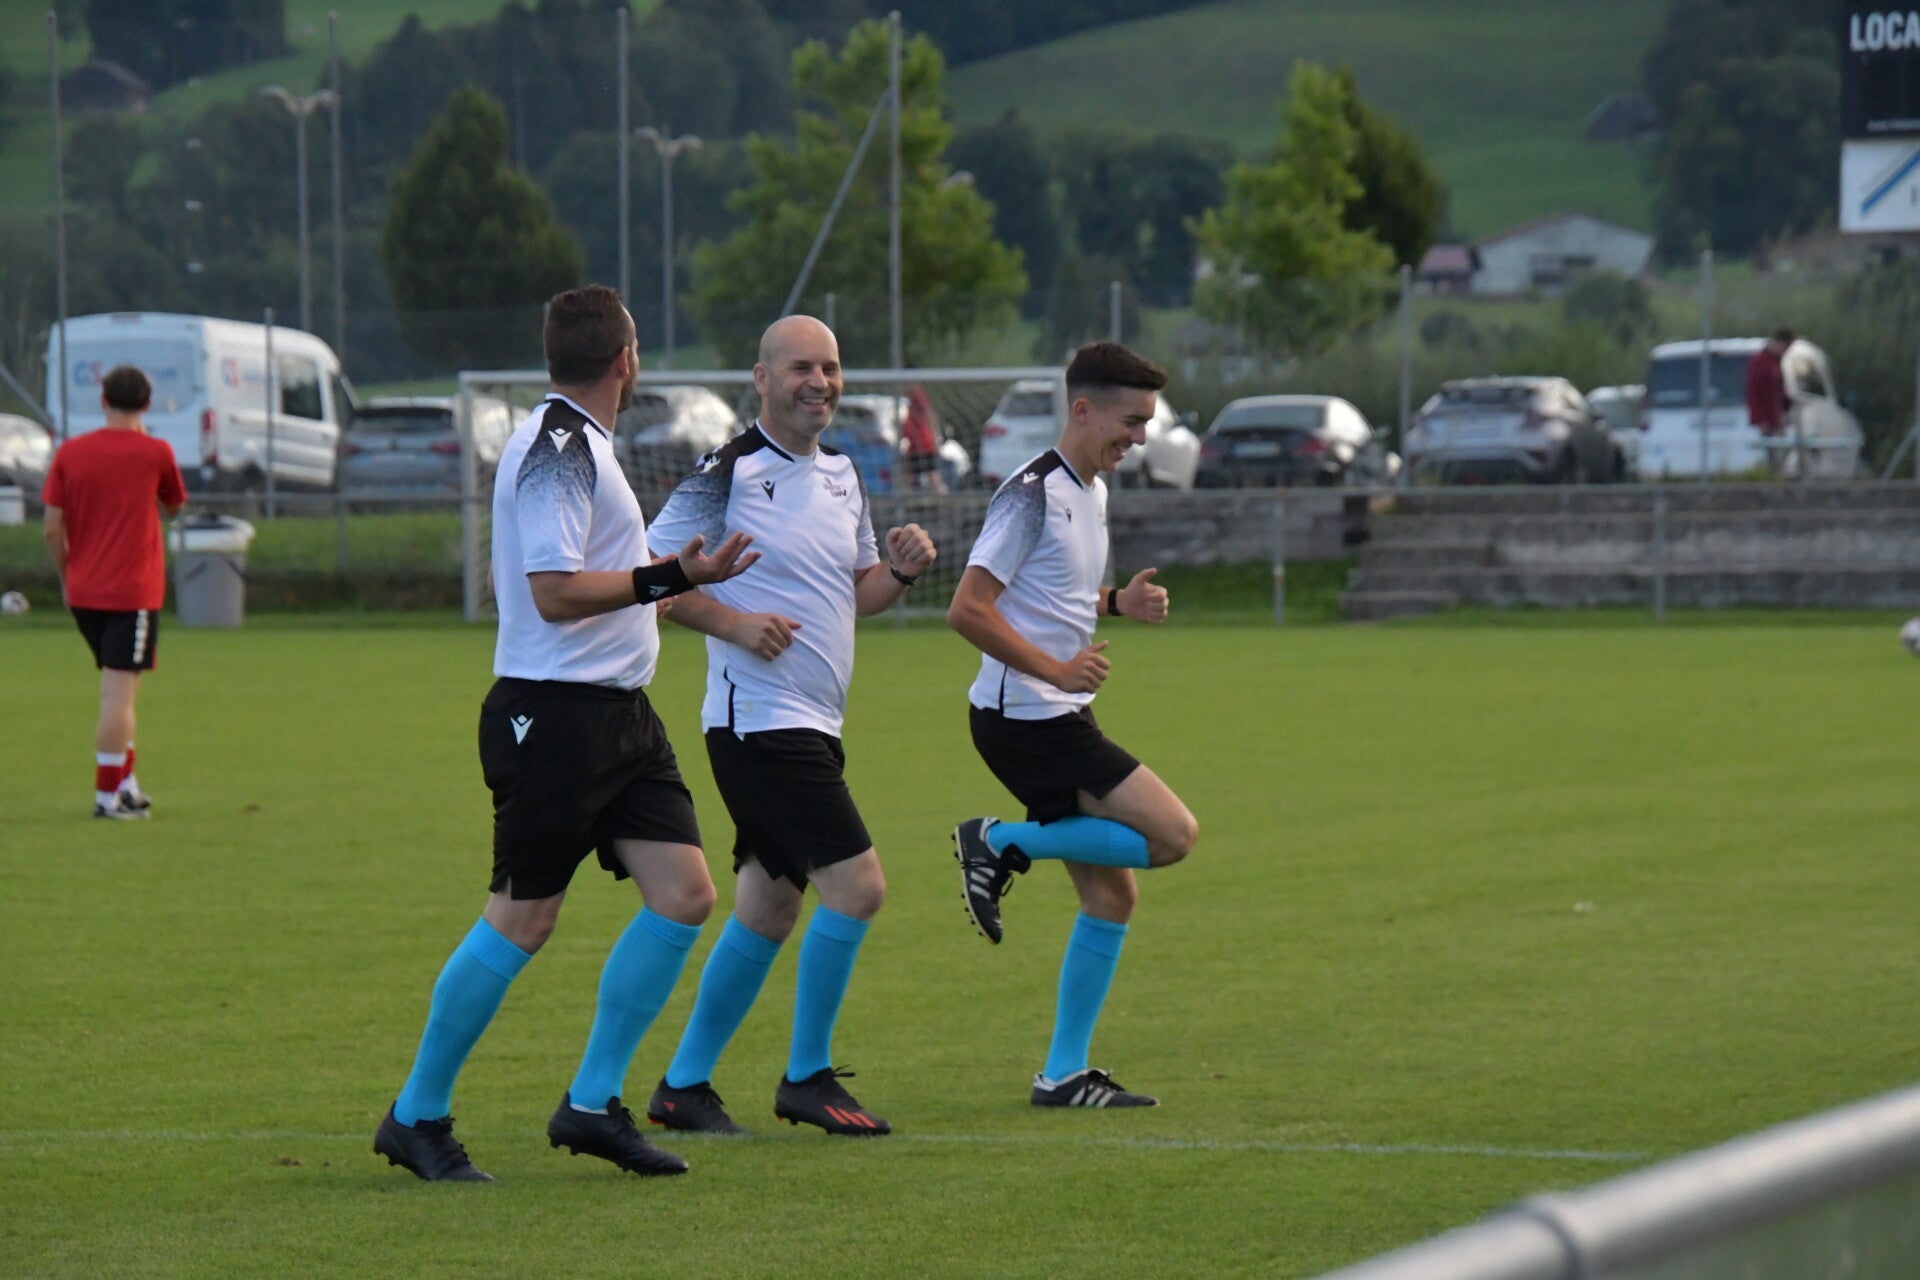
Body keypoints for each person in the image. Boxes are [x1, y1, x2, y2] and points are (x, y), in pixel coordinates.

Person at [373, 286, 756, 1183]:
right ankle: (416, 1115)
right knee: (524, 916)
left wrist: (672, 576)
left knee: (685, 894)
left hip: (621, 717)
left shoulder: (581, 443)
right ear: (626, 360)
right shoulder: (558, 447)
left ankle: (592, 1103)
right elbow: (552, 592)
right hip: (552, 717)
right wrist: (668, 576)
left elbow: (574, 575)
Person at [639, 315, 936, 1138]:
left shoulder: (843, 473)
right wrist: (733, 624)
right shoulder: (726, 472)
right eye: (802, 367)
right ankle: (806, 1077)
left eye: (831, 367)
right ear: (761, 379)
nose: (821, 382)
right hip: (759, 723)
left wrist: (899, 572)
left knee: (770, 908)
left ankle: (682, 1087)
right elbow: (648, 580)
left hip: (813, 721)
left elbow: (859, 594)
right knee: (859, 887)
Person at [947, 341, 1199, 1110]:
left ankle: (1062, 1074)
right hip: (1026, 720)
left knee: (1112, 900)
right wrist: (1054, 671)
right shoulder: (1029, 494)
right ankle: (1001, 841)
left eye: (1147, 423)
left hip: (1052, 713)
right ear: (1082, 410)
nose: (1140, 438)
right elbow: (968, 608)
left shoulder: (1091, 490)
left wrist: (1118, 603)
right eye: (1131, 422)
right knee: (1173, 835)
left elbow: (1050, 594)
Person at [41, 365, 187, 820]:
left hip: (84, 591)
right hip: (131, 592)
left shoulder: (71, 452)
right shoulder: (155, 452)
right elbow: (174, 507)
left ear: (103, 400)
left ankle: (126, 783)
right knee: (118, 696)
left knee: (121, 689)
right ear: (147, 404)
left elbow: (51, 528)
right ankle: (107, 798)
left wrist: (66, 575)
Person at [1746, 328, 1794, 473]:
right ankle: (1775, 475)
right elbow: (1753, 393)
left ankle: (1779, 473)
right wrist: (1760, 419)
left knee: (1783, 449)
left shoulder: (1777, 362)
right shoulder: (1760, 362)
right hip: (1768, 418)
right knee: (1774, 452)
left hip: (1779, 416)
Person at [900, 384, 945, 493]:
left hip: (924, 443)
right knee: (912, 475)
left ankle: (942, 496)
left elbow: (929, 414)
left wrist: (936, 437)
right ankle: (914, 497)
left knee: (932, 473)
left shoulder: (917, 395)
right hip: (914, 444)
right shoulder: (910, 398)